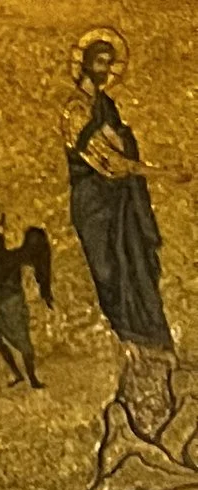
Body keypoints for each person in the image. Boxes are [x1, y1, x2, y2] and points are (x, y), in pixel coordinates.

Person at [67, 32, 170, 355]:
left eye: (109, 63)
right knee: (106, 270)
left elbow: (120, 146)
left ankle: (143, 334)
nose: (105, 69)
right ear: (85, 63)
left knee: (133, 263)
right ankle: (124, 332)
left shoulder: (106, 106)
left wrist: (121, 138)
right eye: (99, 62)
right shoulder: (76, 109)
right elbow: (107, 161)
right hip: (92, 200)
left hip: (119, 199)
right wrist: (161, 173)